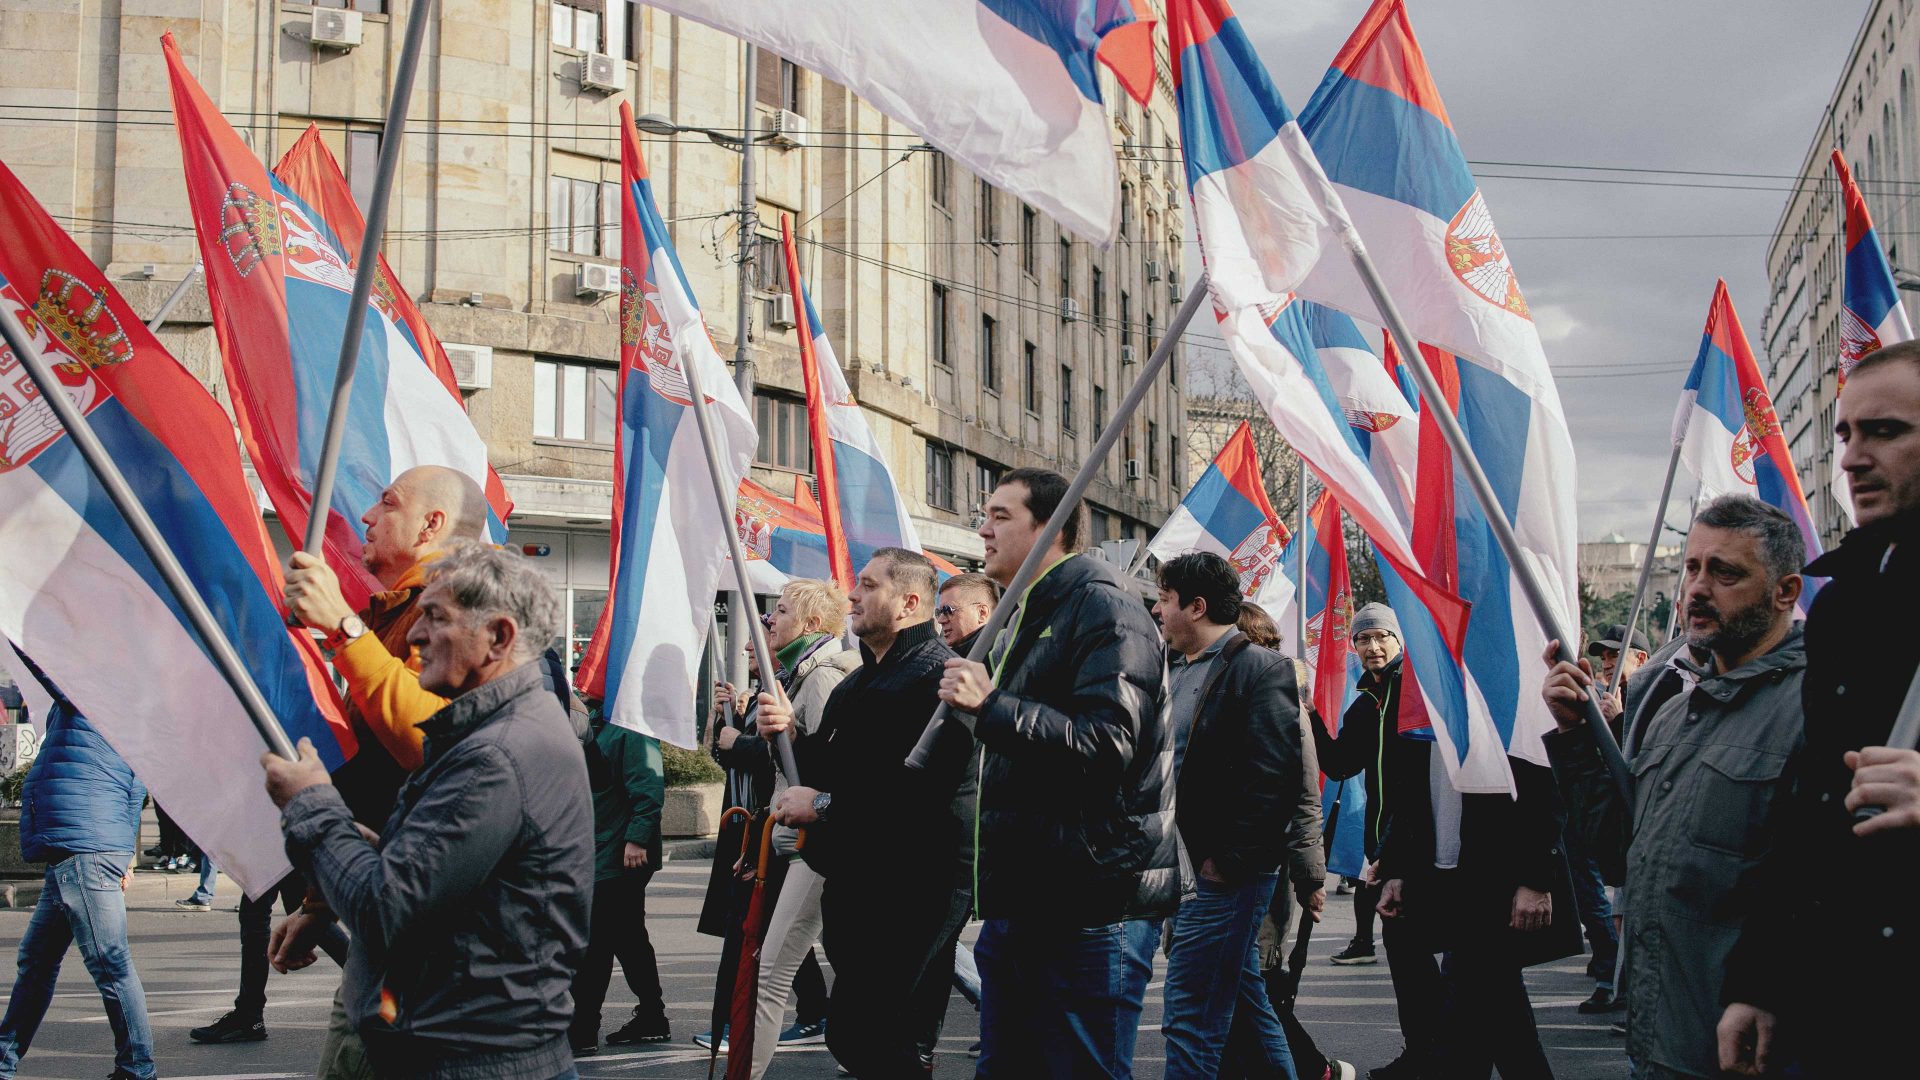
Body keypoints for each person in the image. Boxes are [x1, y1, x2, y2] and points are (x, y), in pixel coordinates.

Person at [263, 541, 593, 1080]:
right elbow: (450, 882)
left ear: (498, 637)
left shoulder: (494, 754)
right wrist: (361, 849)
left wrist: (311, 805)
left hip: (472, 1060)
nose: (414, 636)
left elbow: (387, 909)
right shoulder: (498, 733)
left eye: (435, 618)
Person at [1543, 495, 1807, 1080]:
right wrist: (1576, 736)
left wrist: (1771, 991)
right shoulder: (1670, 711)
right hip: (1660, 1042)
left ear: (1786, 591)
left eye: (1726, 572)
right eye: (1691, 568)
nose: (1697, 589)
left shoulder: (1817, 708)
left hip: (1753, 1051)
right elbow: (1620, 854)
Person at [1719, 343, 1920, 1076]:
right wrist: (1760, 984)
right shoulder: (1844, 603)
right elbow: (1807, 818)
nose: (1853, 458)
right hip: (1845, 1004)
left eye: (1886, 432)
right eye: (1845, 435)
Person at [938, 467, 1176, 1077]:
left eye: (1001, 516)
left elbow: (1108, 744)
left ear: (1052, 530)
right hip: (1027, 893)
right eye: (984, 515)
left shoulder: (1105, 609)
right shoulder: (1022, 613)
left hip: (1089, 900)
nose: (983, 530)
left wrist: (991, 707)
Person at [254, 465, 489, 1073]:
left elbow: (428, 740)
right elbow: (374, 776)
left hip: (433, 928)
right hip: (391, 909)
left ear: (431, 524)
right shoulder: (394, 612)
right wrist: (317, 905)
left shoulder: (457, 607)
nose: (366, 517)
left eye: (387, 503)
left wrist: (343, 627)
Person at [766, 548, 973, 1079]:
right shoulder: (857, 683)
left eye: (867, 584)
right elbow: (830, 770)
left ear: (908, 602)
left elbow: (920, 795)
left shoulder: (937, 679)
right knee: (860, 1035)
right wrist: (788, 737)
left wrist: (825, 805)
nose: (852, 595)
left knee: (876, 1032)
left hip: (914, 884)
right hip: (856, 879)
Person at [1152, 553, 1324, 1080]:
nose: (1157, 611)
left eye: (1164, 599)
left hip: (1222, 876)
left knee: (1190, 1017)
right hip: (1183, 871)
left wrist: (1226, 861)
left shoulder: (1259, 669)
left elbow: (1274, 779)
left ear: (1196, 606)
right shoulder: (1171, 666)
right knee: (1247, 1000)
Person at [0, 654, 154, 1080]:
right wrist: (125, 856)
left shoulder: (97, 693)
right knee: (37, 960)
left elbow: (48, 666)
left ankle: (138, 1068)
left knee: (110, 964)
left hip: (82, 849)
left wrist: (15, 620)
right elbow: (134, 789)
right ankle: (4, 1059)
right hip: (81, 849)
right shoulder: (127, 709)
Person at [1309, 605, 1443, 1080]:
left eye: (1382, 636)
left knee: (1433, 959)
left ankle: (1438, 1054)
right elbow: (1342, 763)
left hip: (1426, 846)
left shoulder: (1418, 690)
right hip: (1384, 849)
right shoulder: (1366, 701)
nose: (1372, 647)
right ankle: (1424, 1051)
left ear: (1400, 640)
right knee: (1406, 960)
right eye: (1363, 639)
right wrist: (1310, 716)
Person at [743, 579, 859, 1076]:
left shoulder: (823, 676)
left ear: (811, 625)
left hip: (823, 842)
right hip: (800, 840)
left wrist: (787, 733)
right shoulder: (800, 673)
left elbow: (837, 770)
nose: (771, 619)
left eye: (782, 610)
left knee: (771, 969)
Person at [567, 699, 670, 1055]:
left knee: (596, 942)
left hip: (621, 854)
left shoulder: (632, 725)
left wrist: (637, 837)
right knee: (627, 938)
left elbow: (648, 786)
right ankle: (653, 1017)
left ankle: (582, 1027)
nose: (581, 683)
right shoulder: (598, 721)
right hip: (601, 850)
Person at [1564, 623, 1646, 1014]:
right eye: (1605, 656)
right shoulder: (1608, 695)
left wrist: (1617, 718)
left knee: (1611, 904)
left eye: (1617, 654)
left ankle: (1615, 980)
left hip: (1632, 820)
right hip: (1598, 812)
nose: (1608, 662)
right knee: (1609, 907)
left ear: (1640, 658)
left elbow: (1634, 761)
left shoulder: (1652, 698)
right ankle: (1613, 975)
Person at [934, 571, 998, 652]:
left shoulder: (995, 657)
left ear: (982, 613)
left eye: (947, 610)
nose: (940, 620)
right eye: (939, 612)